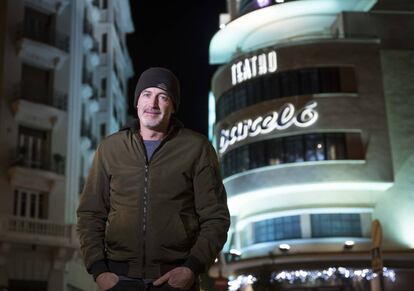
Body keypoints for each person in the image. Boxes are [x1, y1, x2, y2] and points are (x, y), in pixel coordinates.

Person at [77, 67, 230, 291]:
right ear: (137, 102)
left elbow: (216, 217)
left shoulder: (197, 148)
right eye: (146, 95)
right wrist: (99, 271)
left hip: (174, 280)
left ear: (173, 106)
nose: (153, 104)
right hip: (119, 279)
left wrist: (191, 268)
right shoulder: (110, 148)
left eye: (163, 96)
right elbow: (90, 214)